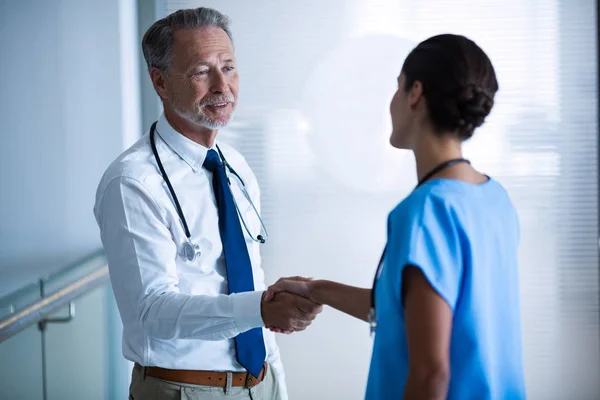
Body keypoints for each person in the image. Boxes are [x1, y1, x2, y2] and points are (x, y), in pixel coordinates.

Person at [266, 34, 526, 399]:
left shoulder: (425, 212)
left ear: (415, 93)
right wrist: (317, 290)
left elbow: (431, 374)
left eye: (396, 88)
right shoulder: (494, 199)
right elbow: (416, 310)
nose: (390, 103)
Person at [94, 7, 322, 400]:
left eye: (229, 67)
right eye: (202, 71)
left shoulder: (235, 165)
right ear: (160, 82)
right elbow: (151, 314)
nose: (223, 86)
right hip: (185, 390)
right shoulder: (132, 183)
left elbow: (250, 275)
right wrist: (259, 309)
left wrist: (276, 383)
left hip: (259, 382)